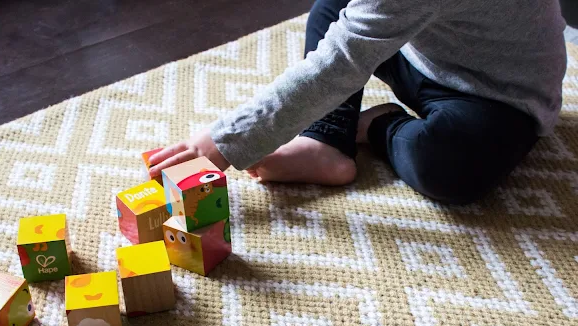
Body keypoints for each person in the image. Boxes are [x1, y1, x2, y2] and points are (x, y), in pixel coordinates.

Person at [148, 0, 567, 204]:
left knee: (451, 168)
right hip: (422, 52)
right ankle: (327, 140)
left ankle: (378, 126)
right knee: (334, 9)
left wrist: (225, 141)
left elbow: (340, 64)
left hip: (497, 95)